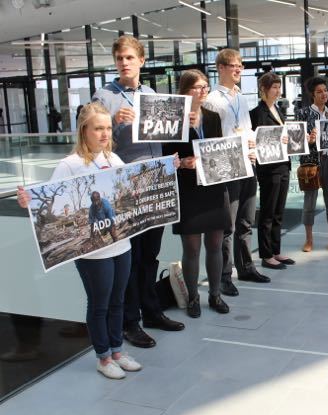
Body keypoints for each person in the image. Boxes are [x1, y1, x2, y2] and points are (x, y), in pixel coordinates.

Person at [17, 103, 142, 379]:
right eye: (98, 128)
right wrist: (28, 200)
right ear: (84, 130)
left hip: (121, 245)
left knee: (118, 301)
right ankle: (103, 357)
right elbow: (48, 198)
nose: (104, 134)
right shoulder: (70, 164)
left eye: (108, 128)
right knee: (100, 304)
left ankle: (117, 351)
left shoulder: (114, 158)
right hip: (94, 253)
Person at [92, 35, 184, 349]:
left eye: (130, 57)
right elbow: (93, 142)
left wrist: (170, 158)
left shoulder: (151, 95)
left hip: (156, 182)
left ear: (141, 61)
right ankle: (130, 322)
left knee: (150, 255)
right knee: (130, 258)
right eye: (120, 58)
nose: (124, 63)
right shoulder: (104, 96)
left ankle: (152, 311)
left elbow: (161, 136)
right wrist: (114, 122)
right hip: (126, 187)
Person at [163, 69, 232, 317]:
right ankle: (193, 298)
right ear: (184, 90)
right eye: (197, 87)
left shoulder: (213, 117)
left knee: (215, 243)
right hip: (188, 189)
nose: (203, 91)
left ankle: (215, 294)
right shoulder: (173, 119)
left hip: (213, 187)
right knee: (191, 248)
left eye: (205, 87)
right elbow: (165, 154)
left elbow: (219, 150)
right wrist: (182, 162)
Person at [203, 48, 270, 289]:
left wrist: (252, 143)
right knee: (228, 226)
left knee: (246, 221)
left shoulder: (241, 97)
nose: (238, 69)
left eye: (240, 65)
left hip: (248, 163)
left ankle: (247, 268)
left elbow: (247, 128)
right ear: (220, 68)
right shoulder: (212, 100)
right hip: (227, 167)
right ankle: (224, 277)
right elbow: (211, 139)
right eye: (233, 65)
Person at [250, 72, 295, 270]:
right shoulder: (257, 113)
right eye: (274, 87)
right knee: (268, 212)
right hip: (269, 168)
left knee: (278, 212)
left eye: (279, 87)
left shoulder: (277, 110)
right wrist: (277, 139)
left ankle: (276, 251)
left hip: (283, 164)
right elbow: (256, 140)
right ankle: (266, 255)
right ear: (264, 89)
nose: (278, 91)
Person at [296, 76, 328, 252]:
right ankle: (309, 240)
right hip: (311, 163)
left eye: (325, 90)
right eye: (319, 92)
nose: (324, 94)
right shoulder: (303, 113)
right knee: (309, 203)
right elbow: (296, 141)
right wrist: (309, 140)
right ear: (312, 95)